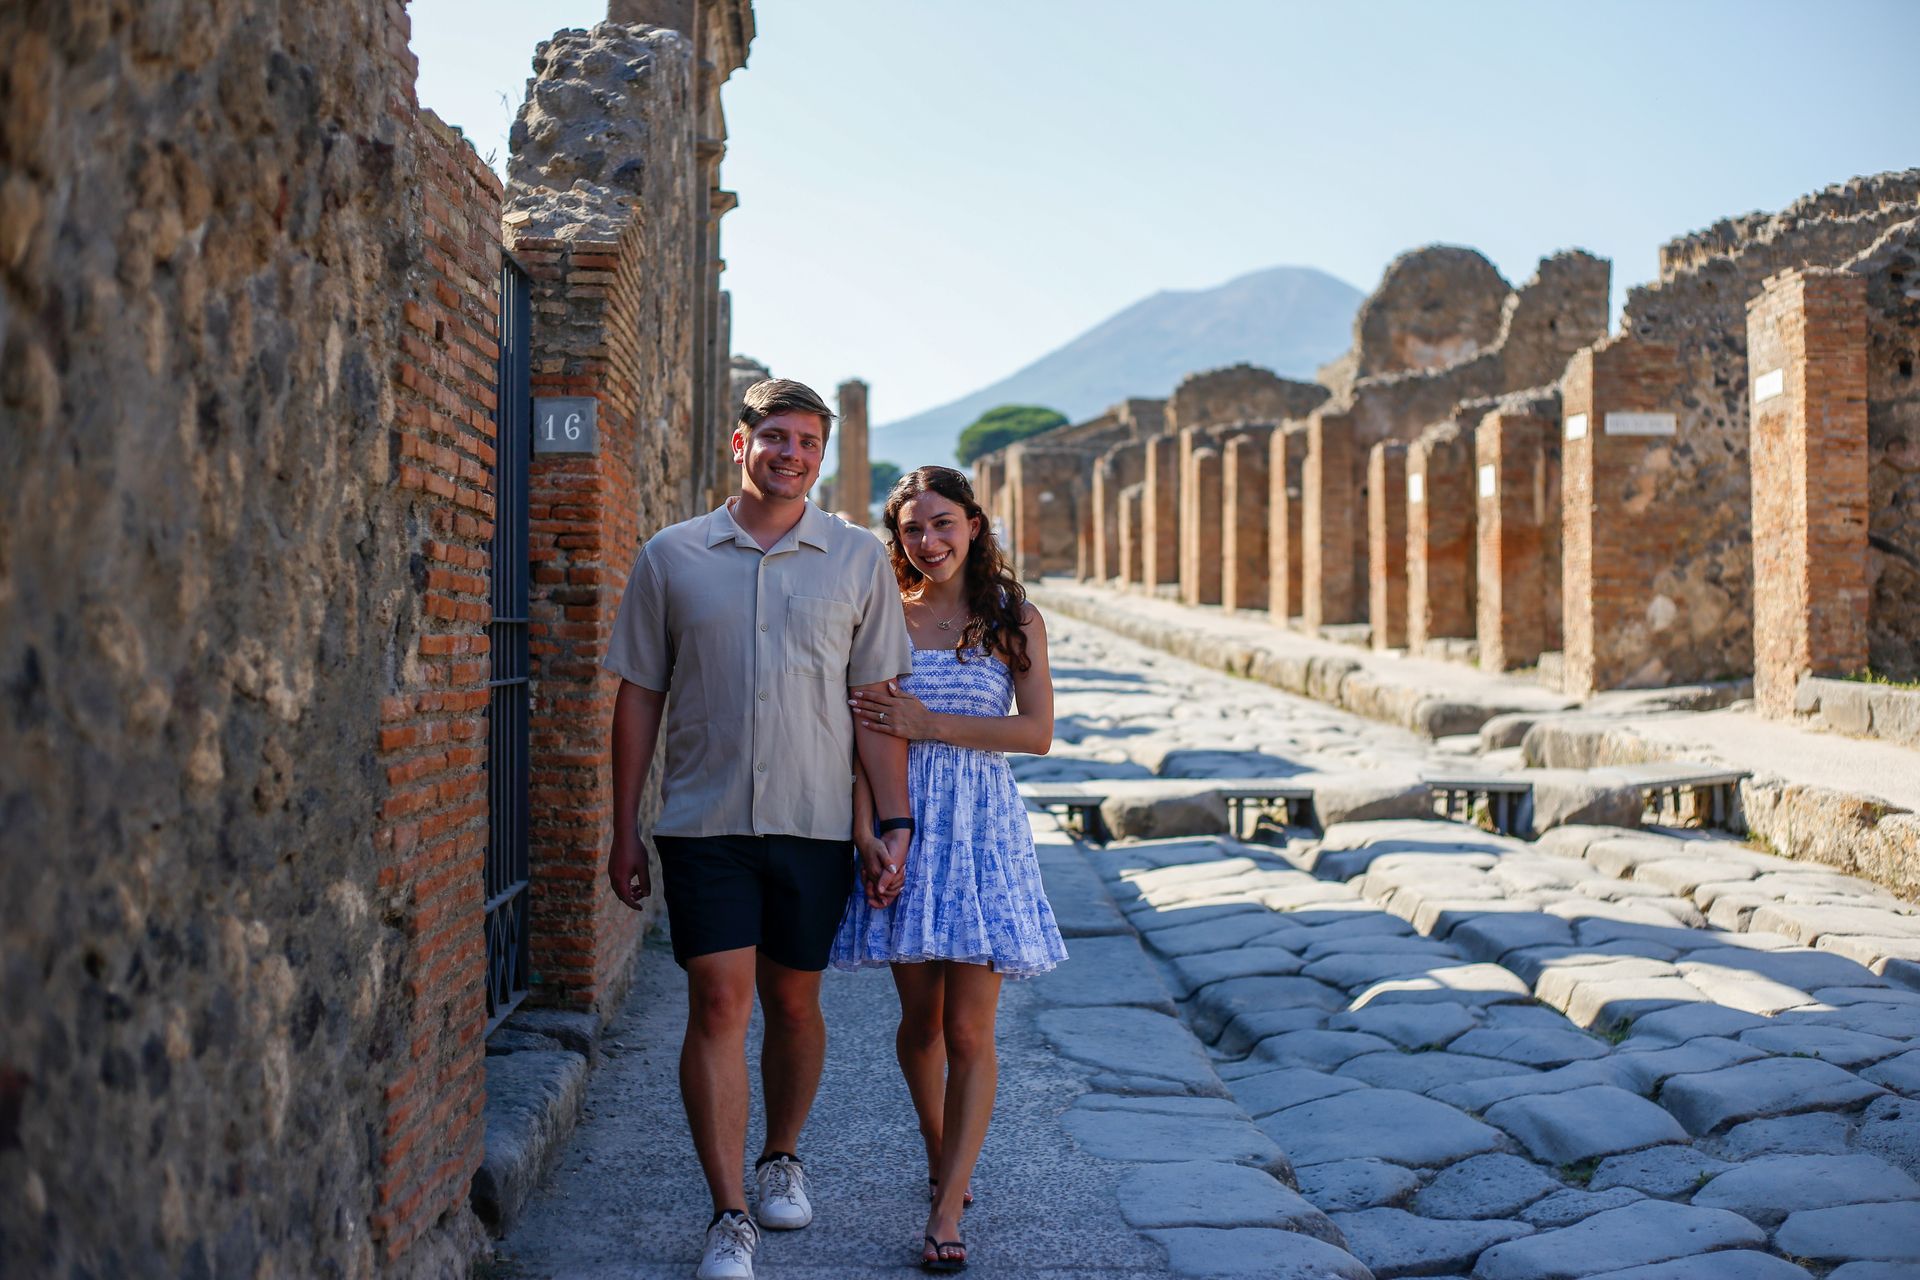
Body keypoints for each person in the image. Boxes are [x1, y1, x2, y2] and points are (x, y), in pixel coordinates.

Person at [603, 379, 915, 1280]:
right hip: (704, 824)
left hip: (816, 825)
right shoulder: (672, 556)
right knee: (717, 1002)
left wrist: (889, 822)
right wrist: (624, 828)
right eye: (775, 437)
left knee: (792, 1004)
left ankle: (783, 1156)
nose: (793, 454)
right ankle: (728, 1212)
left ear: (822, 454)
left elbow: (876, 706)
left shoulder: (857, 561)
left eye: (809, 442)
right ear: (739, 444)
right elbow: (640, 697)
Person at [829, 465, 1067, 1273]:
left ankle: (945, 1205)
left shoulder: (1011, 617)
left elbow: (1035, 734)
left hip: (981, 833)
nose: (928, 541)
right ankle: (941, 1155)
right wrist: (868, 834)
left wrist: (932, 720)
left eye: (942, 523)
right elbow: (857, 743)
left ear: (972, 522)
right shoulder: (881, 617)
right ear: (896, 539)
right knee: (921, 1024)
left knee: (970, 1029)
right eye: (911, 530)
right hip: (903, 826)